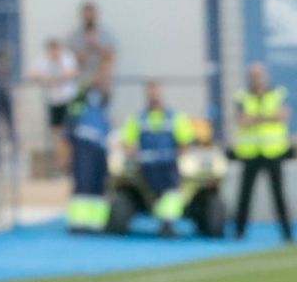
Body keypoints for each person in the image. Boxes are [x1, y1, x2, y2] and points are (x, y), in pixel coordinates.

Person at [121, 81, 200, 236]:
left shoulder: (175, 117)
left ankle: (167, 223)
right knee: (155, 194)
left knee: (171, 194)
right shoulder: (138, 118)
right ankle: (164, 221)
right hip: (147, 166)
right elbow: (127, 142)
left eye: (156, 93)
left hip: (168, 164)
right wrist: (136, 154)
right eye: (151, 94)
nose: (154, 97)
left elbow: (185, 140)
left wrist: (177, 155)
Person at [232, 62, 294, 242]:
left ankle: (287, 233)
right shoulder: (243, 96)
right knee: (245, 195)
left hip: (273, 152)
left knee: (279, 195)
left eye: (259, 75)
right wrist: (268, 117)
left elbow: (283, 116)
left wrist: (257, 119)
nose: (256, 79)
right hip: (251, 153)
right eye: (253, 76)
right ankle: (239, 231)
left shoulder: (277, 94)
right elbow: (243, 120)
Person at [63, 62, 114, 234]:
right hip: (84, 146)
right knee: (83, 182)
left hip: (101, 147)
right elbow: (70, 124)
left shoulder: (103, 101)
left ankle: (96, 222)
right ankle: (78, 222)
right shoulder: (81, 99)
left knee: (99, 184)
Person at [29, 37, 80, 175]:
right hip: (53, 101)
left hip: (67, 100)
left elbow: (72, 72)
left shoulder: (67, 58)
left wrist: (55, 79)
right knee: (57, 134)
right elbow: (33, 74)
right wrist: (47, 79)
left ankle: (69, 163)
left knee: (68, 133)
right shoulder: (43, 60)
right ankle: (60, 165)